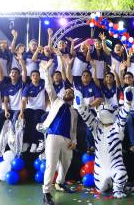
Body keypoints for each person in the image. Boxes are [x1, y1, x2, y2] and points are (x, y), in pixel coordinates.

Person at [75, 85, 134, 199]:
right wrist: (80, 106)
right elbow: (88, 118)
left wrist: (127, 102)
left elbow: (123, 115)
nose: (104, 108)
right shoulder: (97, 128)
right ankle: (110, 183)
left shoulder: (117, 127)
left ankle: (117, 189)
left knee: (120, 173)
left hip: (115, 166)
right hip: (100, 168)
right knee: (100, 189)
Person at [41, 60, 77, 205]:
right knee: (51, 164)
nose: (68, 92)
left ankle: (60, 183)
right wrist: (46, 71)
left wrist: (74, 141)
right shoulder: (56, 101)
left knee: (66, 163)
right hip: (53, 136)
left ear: (73, 97)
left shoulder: (74, 111)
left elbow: (74, 128)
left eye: (70, 92)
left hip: (68, 140)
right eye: (66, 91)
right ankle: (46, 193)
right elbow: (49, 87)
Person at [66, 56, 103, 153]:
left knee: (90, 126)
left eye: (87, 75)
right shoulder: (77, 85)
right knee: (71, 124)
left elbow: (99, 99)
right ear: (81, 77)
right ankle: (72, 145)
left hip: (89, 110)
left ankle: (90, 146)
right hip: (76, 110)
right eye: (83, 75)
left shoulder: (93, 86)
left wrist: (89, 106)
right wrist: (69, 65)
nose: (85, 77)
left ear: (90, 77)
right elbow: (68, 76)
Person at [0, 54, 27, 151]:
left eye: (16, 72)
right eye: (12, 72)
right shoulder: (7, 86)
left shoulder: (21, 83)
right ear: (10, 74)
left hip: (19, 110)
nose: (13, 74)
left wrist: (22, 62)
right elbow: (6, 100)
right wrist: (6, 111)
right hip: (10, 109)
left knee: (15, 119)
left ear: (18, 75)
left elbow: (24, 72)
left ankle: (14, 142)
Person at [19, 69, 46, 153]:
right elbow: (23, 101)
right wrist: (21, 112)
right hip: (29, 108)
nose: (35, 77)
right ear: (30, 77)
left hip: (40, 109)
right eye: (33, 75)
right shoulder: (27, 87)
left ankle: (34, 142)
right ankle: (26, 142)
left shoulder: (43, 85)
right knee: (25, 121)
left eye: (37, 75)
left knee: (35, 120)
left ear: (39, 77)